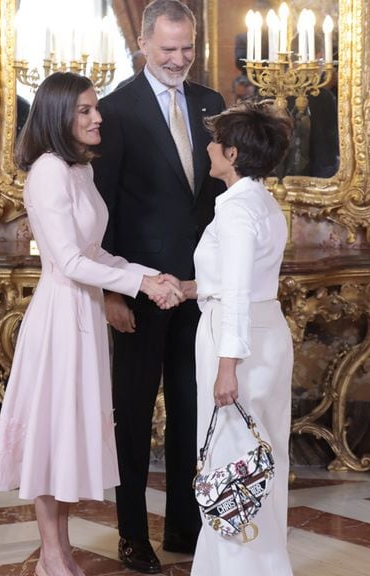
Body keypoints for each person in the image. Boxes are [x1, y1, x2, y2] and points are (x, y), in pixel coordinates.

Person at [0, 72, 184, 576]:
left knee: (70, 438)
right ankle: (52, 556)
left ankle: (62, 551)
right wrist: (141, 287)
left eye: (96, 108)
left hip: (85, 317)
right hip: (60, 317)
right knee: (53, 438)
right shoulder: (48, 171)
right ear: (58, 117)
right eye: (85, 111)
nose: (98, 118)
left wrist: (147, 274)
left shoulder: (79, 169)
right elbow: (70, 263)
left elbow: (96, 251)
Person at [91, 0, 227, 572]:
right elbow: (104, 208)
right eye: (168, 49)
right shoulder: (113, 110)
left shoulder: (211, 103)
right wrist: (114, 292)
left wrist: (214, 280)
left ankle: (183, 528)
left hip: (197, 287)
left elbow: (216, 201)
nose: (179, 59)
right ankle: (130, 535)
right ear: (145, 44)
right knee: (133, 412)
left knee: (191, 414)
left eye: (187, 48)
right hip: (141, 289)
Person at [180, 101, 295, 575]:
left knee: (231, 468)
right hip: (266, 334)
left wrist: (227, 366)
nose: (207, 146)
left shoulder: (235, 209)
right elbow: (242, 279)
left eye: (214, 141)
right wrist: (192, 288)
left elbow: (239, 293)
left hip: (237, 340)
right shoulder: (263, 201)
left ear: (230, 152)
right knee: (265, 461)